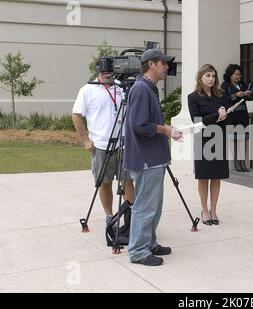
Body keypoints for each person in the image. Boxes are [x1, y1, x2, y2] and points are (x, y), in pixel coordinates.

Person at [123, 49, 183, 266]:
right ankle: (138, 251)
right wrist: (166, 130)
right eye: (163, 63)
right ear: (151, 65)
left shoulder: (148, 88)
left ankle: (149, 242)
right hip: (145, 158)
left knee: (154, 205)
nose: (167, 67)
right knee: (145, 206)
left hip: (153, 158)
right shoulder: (141, 89)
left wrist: (167, 131)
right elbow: (138, 125)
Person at [72, 57, 135, 238]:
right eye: (104, 73)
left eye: (110, 73)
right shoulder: (88, 90)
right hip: (101, 145)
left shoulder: (121, 87)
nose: (108, 76)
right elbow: (76, 115)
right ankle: (110, 216)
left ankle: (131, 217)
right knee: (104, 182)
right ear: (98, 71)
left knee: (129, 181)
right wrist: (85, 140)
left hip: (123, 143)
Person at [188, 64, 230, 226]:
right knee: (204, 176)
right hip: (203, 139)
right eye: (208, 76)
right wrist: (216, 115)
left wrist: (225, 116)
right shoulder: (193, 97)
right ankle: (204, 210)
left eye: (213, 76)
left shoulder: (221, 95)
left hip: (219, 137)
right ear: (200, 78)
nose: (211, 79)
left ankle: (213, 210)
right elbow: (196, 121)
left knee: (216, 177)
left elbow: (229, 119)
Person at [221, 64, 253, 172]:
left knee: (243, 139)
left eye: (240, 75)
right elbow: (223, 99)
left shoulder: (243, 84)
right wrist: (236, 95)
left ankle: (242, 162)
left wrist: (248, 94)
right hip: (232, 116)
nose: (238, 77)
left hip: (243, 115)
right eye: (236, 74)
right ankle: (236, 163)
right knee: (234, 140)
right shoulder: (225, 85)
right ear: (230, 75)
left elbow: (250, 97)